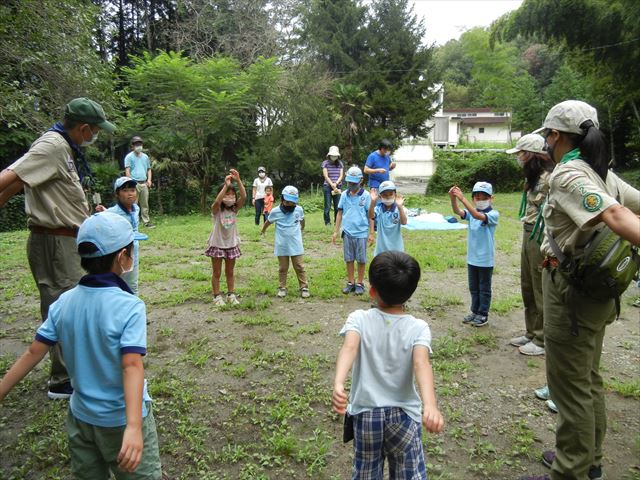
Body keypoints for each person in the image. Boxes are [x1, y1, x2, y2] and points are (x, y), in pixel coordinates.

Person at [520, 101, 640, 480]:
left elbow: (618, 216)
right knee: (587, 378)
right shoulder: (602, 173)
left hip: (571, 295)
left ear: (555, 136)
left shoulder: (569, 174)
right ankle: (590, 460)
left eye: (546, 137)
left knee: (569, 387)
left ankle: (570, 471)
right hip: (598, 293)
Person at [0, 212, 163, 479]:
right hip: (119, 421)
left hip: (81, 419)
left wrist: (2, 389)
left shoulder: (64, 302)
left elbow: (33, 353)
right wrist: (134, 426)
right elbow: (131, 365)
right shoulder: (130, 306)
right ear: (123, 256)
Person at [0, 97, 116, 400]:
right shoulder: (52, 145)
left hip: (67, 239)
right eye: (95, 131)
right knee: (62, 308)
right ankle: (62, 380)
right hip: (53, 241)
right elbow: (10, 178)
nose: (96, 136)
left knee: (72, 305)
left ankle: (72, 371)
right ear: (83, 128)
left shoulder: (64, 148)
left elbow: (20, 184)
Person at [332, 251, 444, 479]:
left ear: (372, 290)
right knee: (407, 473)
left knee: (366, 471)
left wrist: (338, 382)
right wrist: (430, 405)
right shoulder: (418, 327)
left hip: (366, 415)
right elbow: (421, 363)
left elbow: (349, 348)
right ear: (411, 291)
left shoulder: (358, 318)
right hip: (404, 416)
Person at [506, 134, 555, 356]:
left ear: (532, 155)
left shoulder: (549, 179)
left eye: (520, 154)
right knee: (527, 283)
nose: (518, 158)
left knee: (538, 284)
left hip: (541, 235)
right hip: (528, 231)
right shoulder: (533, 178)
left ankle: (542, 338)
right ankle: (531, 331)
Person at [448, 181, 500, 327]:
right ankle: (475, 311)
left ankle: (483, 314)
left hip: (485, 260)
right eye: (477, 198)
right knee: (474, 287)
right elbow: (457, 212)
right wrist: (453, 198)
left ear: (491, 198)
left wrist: (462, 198)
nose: (480, 200)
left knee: (484, 288)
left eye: (484, 197)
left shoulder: (493, 214)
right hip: (472, 258)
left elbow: (477, 216)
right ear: (473, 199)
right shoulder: (471, 214)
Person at [205, 169, 247, 307]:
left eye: (232, 194)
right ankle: (217, 296)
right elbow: (217, 201)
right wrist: (226, 185)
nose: (230, 197)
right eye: (227, 194)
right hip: (217, 244)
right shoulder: (216, 210)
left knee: (230, 271)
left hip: (231, 244)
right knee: (216, 272)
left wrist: (238, 180)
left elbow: (244, 196)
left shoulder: (234, 209)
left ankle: (231, 294)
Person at [261, 185, 309, 298]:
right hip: (282, 244)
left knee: (299, 266)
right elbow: (268, 222)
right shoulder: (276, 211)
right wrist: (263, 230)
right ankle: (282, 287)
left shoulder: (299, 209)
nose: (290, 205)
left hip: (296, 244)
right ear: (282, 199)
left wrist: (302, 227)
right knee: (283, 268)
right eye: (287, 202)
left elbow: (302, 220)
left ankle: (304, 287)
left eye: (293, 203)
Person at [332, 166, 371, 295]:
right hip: (347, 232)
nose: (351, 185)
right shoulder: (344, 195)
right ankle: (350, 282)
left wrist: (371, 233)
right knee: (349, 258)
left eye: (354, 183)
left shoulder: (366, 196)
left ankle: (360, 283)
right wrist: (336, 231)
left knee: (361, 259)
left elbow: (370, 215)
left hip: (361, 233)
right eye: (349, 182)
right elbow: (339, 213)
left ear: (360, 180)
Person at [368, 180, 407, 256]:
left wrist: (400, 207)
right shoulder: (378, 209)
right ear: (380, 196)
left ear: (395, 194)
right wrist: (373, 202)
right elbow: (371, 216)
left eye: (390, 194)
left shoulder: (399, 208)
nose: (388, 197)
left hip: (397, 249)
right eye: (385, 195)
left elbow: (404, 222)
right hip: (381, 250)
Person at [124, 136, 154, 228]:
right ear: (133, 146)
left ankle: (146, 221)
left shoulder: (145, 157)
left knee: (145, 204)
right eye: (137, 144)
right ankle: (133, 223)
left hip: (144, 183)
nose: (139, 146)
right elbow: (127, 170)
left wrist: (149, 180)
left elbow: (149, 169)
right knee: (133, 204)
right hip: (134, 183)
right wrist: (130, 182)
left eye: (140, 144)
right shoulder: (129, 157)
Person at [321, 145, 344, 226]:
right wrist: (332, 184)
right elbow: (326, 176)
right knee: (327, 205)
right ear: (329, 155)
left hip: (338, 186)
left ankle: (336, 222)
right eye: (332, 155)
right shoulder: (325, 163)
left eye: (335, 156)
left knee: (337, 206)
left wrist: (336, 184)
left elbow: (341, 175)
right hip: (327, 186)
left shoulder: (340, 163)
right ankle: (327, 222)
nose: (334, 157)